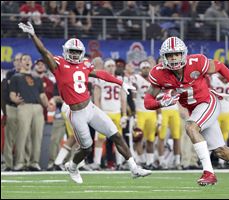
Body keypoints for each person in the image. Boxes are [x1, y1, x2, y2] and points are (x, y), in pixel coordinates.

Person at [18, 21, 151, 183]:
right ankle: (72, 166)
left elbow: (100, 74)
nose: (74, 55)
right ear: (66, 52)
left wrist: (121, 83)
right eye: (71, 52)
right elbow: (44, 52)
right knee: (86, 148)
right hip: (76, 113)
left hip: (90, 108)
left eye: (77, 52)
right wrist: (33, 35)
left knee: (115, 134)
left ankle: (134, 168)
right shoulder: (58, 64)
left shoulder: (84, 65)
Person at [144, 36, 229, 192]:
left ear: (184, 54)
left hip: (208, 103)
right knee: (221, 151)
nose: (174, 58)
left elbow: (220, 66)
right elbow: (147, 102)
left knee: (190, 127)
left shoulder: (196, 62)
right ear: (164, 57)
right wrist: (161, 103)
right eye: (170, 55)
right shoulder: (159, 73)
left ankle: (209, 172)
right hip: (195, 110)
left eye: (177, 54)